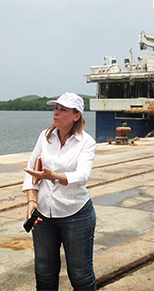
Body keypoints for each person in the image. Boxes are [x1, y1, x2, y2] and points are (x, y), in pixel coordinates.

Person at [23, 92, 97, 290]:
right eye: (55, 108)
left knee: (80, 274)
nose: (56, 113)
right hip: (44, 215)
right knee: (44, 271)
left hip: (76, 214)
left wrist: (55, 176)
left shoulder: (86, 142)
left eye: (62, 109)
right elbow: (31, 170)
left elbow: (82, 176)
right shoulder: (45, 137)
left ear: (76, 115)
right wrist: (32, 201)